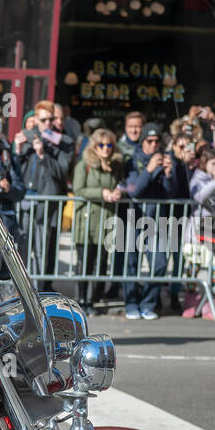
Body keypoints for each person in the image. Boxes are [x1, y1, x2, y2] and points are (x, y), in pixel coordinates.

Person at [124, 121, 188, 319]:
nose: (153, 145)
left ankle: (148, 303)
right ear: (143, 141)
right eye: (149, 140)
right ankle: (131, 303)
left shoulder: (166, 160)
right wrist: (149, 170)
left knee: (160, 263)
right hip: (134, 217)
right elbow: (135, 191)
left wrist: (169, 175)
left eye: (156, 141)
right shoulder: (133, 160)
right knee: (131, 265)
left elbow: (170, 193)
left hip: (156, 220)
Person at [13, 99, 74, 279]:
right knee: (21, 249)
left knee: (41, 250)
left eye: (50, 120)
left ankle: (39, 295)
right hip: (24, 201)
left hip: (45, 203)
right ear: (36, 120)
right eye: (43, 120)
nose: (48, 124)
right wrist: (17, 149)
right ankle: (20, 291)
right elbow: (14, 170)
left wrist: (42, 155)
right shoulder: (27, 137)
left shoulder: (64, 142)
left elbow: (62, 172)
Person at [72, 127, 126, 311]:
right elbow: (79, 190)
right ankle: (82, 300)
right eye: (101, 145)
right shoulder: (84, 164)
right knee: (85, 261)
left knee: (102, 262)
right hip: (87, 220)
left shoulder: (116, 165)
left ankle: (94, 299)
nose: (105, 148)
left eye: (109, 145)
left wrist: (119, 192)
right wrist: (101, 193)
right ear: (94, 146)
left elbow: (120, 184)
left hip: (107, 219)